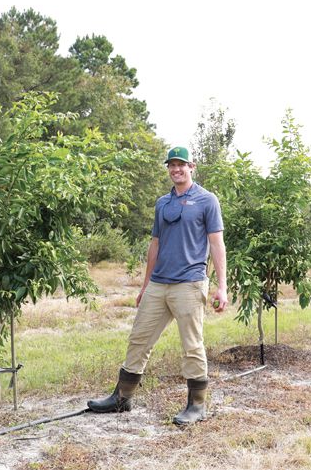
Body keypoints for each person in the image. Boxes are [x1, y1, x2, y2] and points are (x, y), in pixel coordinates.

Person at [87, 145, 228, 425]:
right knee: (139, 339)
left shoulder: (207, 200)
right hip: (159, 284)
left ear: (192, 167)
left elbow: (216, 244)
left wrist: (221, 286)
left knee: (192, 345)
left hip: (189, 283)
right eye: (172, 165)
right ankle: (122, 397)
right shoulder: (162, 203)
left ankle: (196, 406)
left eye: (181, 164)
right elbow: (155, 244)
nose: (176, 169)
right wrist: (144, 285)